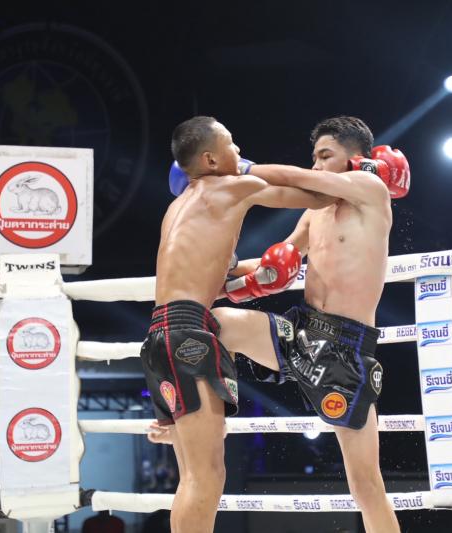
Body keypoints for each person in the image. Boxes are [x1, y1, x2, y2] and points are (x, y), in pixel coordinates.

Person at [149, 116, 408, 532]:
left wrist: (243, 168)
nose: (316, 165)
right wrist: (239, 276)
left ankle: (189, 413)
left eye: (325, 156)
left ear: (355, 157)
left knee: (365, 486)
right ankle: (190, 415)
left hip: (344, 347)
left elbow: (299, 180)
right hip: (303, 331)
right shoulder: (315, 213)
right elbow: (281, 258)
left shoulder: (369, 189)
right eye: (314, 157)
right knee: (215, 323)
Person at [141, 115, 331, 533]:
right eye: (232, 144)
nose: (239, 151)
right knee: (206, 477)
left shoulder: (178, 208)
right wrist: (358, 174)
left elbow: (216, 273)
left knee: (193, 476)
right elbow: (314, 194)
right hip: (189, 335)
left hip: (161, 335)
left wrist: (261, 274)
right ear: (210, 160)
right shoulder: (228, 187)